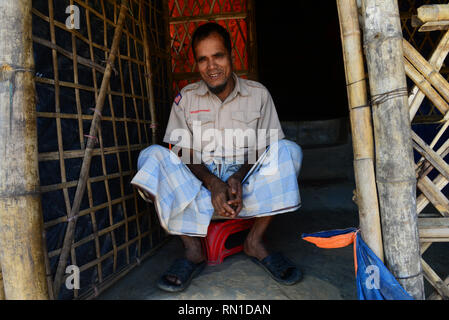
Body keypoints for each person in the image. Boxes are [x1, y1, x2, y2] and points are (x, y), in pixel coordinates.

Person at [131, 22, 303, 292]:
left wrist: (237, 177)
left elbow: (266, 146)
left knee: (288, 151)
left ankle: (254, 241)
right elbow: (181, 150)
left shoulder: (258, 94)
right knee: (151, 157)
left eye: (218, 56)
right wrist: (212, 183)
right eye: (203, 59)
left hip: (246, 186)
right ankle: (192, 250)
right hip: (200, 187)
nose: (212, 67)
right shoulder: (186, 99)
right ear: (197, 64)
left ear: (231, 54)